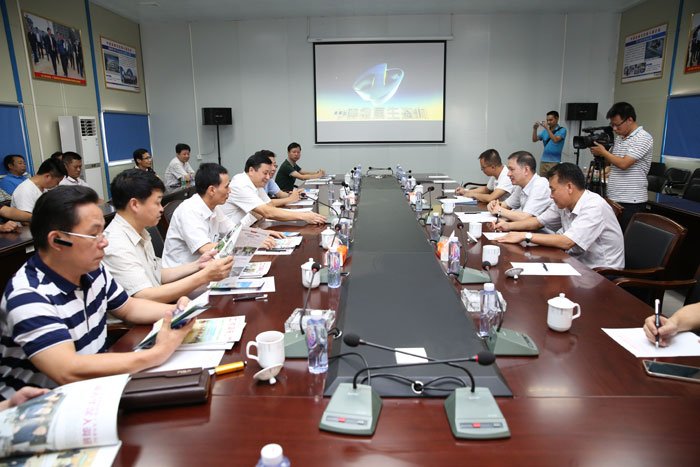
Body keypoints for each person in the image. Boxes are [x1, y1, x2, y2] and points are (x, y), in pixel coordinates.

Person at [0, 186, 195, 399]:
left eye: (103, 231)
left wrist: (178, 312)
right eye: (94, 234)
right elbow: (68, 370)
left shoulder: (91, 269)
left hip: (94, 388)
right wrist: (157, 353)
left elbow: (129, 307)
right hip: (45, 406)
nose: (104, 242)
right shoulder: (28, 295)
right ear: (56, 240)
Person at [103, 169, 233, 303]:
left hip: (162, 302)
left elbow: (157, 274)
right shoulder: (116, 243)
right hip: (152, 309)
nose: (161, 209)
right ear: (135, 204)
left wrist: (198, 265)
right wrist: (203, 276)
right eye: (157, 202)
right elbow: (145, 296)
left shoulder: (140, 232)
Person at [494, 163, 624, 270]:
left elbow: (567, 242)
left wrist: (525, 236)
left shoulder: (594, 206)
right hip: (576, 263)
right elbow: (538, 222)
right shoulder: (564, 204)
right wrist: (508, 226)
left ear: (569, 187)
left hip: (601, 272)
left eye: (553, 190)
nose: (551, 195)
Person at [162, 164, 277, 267]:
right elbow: (206, 248)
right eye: (227, 186)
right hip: (184, 276)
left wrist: (259, 235)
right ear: (212, 190)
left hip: (207, 267)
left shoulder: (214, 207)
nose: (230, 191)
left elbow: (234, 231)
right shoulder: (189, 210)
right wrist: (251, 243)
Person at [590, 102, 652, 231]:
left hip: (631, 200)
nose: (614, 129)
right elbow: (612, 162)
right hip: (613, 197)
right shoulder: (620, 138)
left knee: (624, 237)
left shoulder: (643, 137)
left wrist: (603, 152)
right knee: (610, 236)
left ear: (629, 120)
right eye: (612, 125)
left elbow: (624, 164)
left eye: (617, 125)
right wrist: (600, 154)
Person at [223, 152, 326, 226]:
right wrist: (303, 216)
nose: (268, 177)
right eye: (265, 173)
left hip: (250, 227)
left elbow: (269, 205)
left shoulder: (256, 183)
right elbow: (268, 212)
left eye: (269, 173)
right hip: (232, 236)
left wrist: (303, 214)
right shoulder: (241, 184)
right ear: (251, 170)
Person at [486, 151, 551, 222]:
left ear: (526, 170)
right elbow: (507, 205)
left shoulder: (540, 185)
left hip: (544, 229)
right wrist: (494, 205)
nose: (508, 174)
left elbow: (525, 218)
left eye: (512, 169)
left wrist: (499, 210)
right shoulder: (521, 185)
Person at [532, 111, 567, 176]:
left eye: (551, 120)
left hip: (555, 162)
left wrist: (547, 128)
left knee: (553, 179)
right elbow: (534, 139)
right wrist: (535, 129)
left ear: (557, 119)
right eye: (547, 120)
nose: (548, 122)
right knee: (543, 180)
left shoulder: (562, 130)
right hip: (544, 160)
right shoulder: (544, 131)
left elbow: (555, 140)